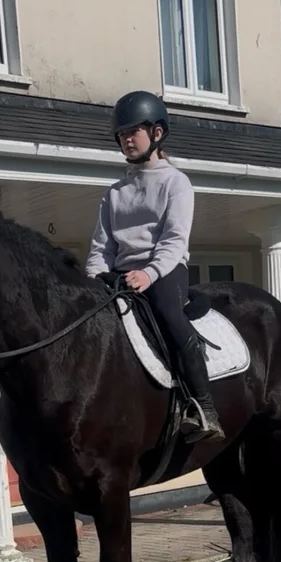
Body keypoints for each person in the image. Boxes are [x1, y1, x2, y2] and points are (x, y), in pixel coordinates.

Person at [85, 90, 225, 444]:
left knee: (169, 314)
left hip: (164, 270)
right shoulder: (114, 192)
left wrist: (149, 273)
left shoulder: (176, 183)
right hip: (119, 275)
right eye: (121, 134)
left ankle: (204, 407)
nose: (127, 139)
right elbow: (102, 246)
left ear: (157, 134)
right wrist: (91, 281)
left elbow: (175, 240)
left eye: (133, 131)